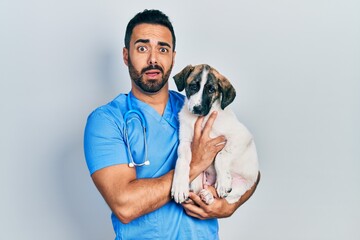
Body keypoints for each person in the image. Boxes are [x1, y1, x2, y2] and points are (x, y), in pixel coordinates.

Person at [84, 9, 260, 240]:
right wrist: (194, 165)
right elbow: (125, 206)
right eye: (142, 48)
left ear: (173, 58)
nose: (153, 59)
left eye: (163, 49)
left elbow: (248, 166)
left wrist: (230, 206)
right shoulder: (107, 121)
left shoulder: (199, 110)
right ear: (126, 55)